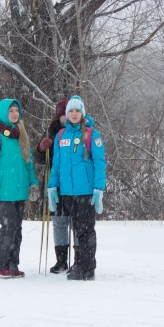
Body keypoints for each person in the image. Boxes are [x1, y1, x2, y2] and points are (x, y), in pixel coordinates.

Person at [46, 96, 106, 280]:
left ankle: (87, 268)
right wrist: (52, 187)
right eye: (71, 111)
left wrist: (98, 189)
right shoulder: (61, 135)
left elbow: (100, 162)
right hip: (67, 192)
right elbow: (56, 164)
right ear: (66, 114)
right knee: (77, 229)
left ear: (82, 113)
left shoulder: (90, 134)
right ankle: (78, 263)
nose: (73, 114)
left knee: (85, 230)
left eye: (77, 111)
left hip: (85, 191)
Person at [0, 99, 40, 278]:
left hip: (20, 190)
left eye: (17, 110)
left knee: (17, 228)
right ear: (3, 113)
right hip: (4, 190)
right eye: (11, 111)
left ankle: (12, 264)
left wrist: (33, 184)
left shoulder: (22, 135)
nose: (15, 114)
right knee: (9, 227)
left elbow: (28, 162)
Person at [34, 97, 78, 274]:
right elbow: (38, 159)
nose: (66, 118)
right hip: (55, 185)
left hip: (75, 186)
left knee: (76, 223)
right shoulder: (51, 133)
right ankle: (61, 260)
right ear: (58, 117)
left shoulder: (79, 133)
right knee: (59, 222)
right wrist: (41, 149)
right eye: (63, 115)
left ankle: (78, 259)